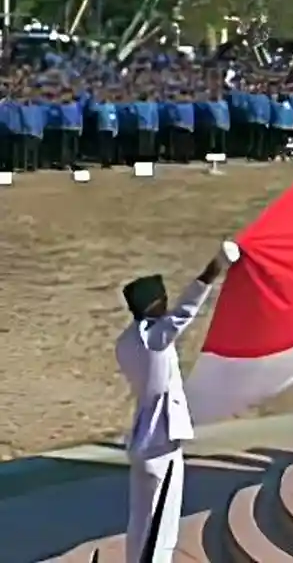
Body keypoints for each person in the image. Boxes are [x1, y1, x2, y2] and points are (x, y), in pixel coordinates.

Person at [116, 241, 240, 562]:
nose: (167, 305)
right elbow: (185, 312)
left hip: (144, 439)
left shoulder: (127, 341)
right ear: (154, 304)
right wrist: (213, 269)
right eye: (163, 300)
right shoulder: (153, 338)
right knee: (162, 526)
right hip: (161, 442)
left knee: (142, 524)